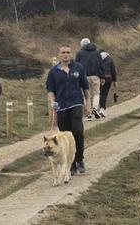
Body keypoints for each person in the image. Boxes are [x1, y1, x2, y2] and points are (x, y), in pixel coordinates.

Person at [46, 44, 90, 176]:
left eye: (68, 52)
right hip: (61, 107)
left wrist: (88, 104)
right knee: (65, 136)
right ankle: (70, 162)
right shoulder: (53, 72)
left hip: (76, 103)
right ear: (59, 55)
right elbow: (50, 90)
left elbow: (85, 87)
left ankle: (79, 160)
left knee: (77, 131)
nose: (65, 54)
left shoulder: (78, 68)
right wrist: (52, 102)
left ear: (71, 54)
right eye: (63, 52)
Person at [75, 38, 104, 120]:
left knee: (85, 95)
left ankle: (88, 114)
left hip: (83, 76)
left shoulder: (79, 53)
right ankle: (95, 108)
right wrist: (102, 77)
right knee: (96, 93)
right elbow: (101, 65)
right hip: (96, 76)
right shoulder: (97, 52)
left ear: (82, 45)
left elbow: (76, 66)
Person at [98, 51, 118, 117]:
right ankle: (102, 109)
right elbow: (113, 71)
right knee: (104, 94)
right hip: (108, 78)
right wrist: (115, 81)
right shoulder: (109, 59)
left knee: (98, 94)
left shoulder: (97, 58)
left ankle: (98, 109)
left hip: (99, 78)